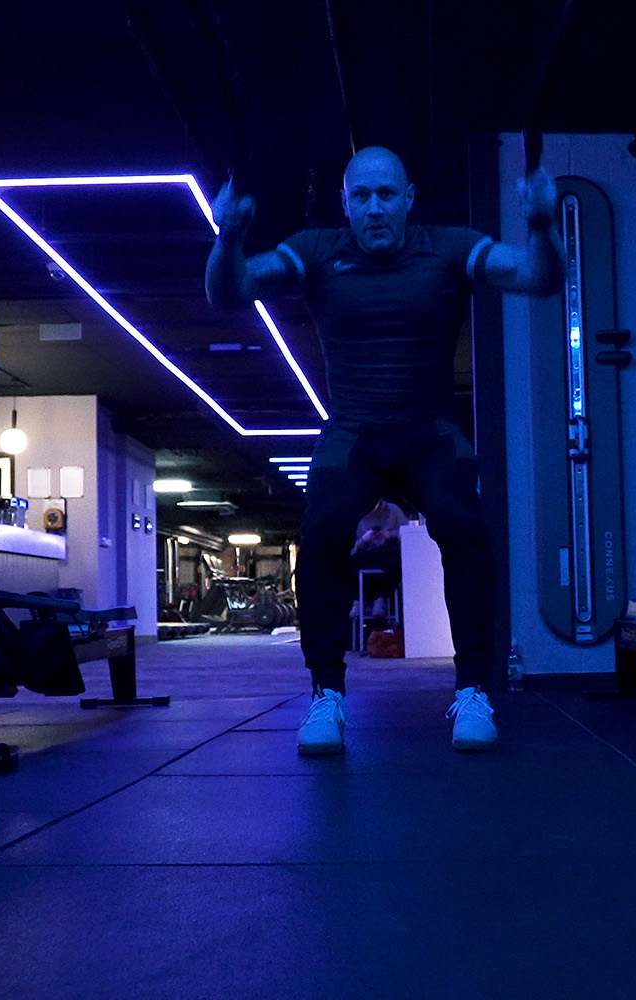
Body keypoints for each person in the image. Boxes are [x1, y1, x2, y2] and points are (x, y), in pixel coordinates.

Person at [206, 146, 561, 754]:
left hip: (429, 431)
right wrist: (230, 235)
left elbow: (538, 276)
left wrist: (541, 223)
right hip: (354, 432)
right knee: (322, 531)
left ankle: (474, 691)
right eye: (362, 196)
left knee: (465, 528)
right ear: (345, 202)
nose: (375, 208)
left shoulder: (448, 246)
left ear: (409, 199)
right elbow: (229, 292)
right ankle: (326, 695)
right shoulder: (317, 249)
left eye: (387, 195)